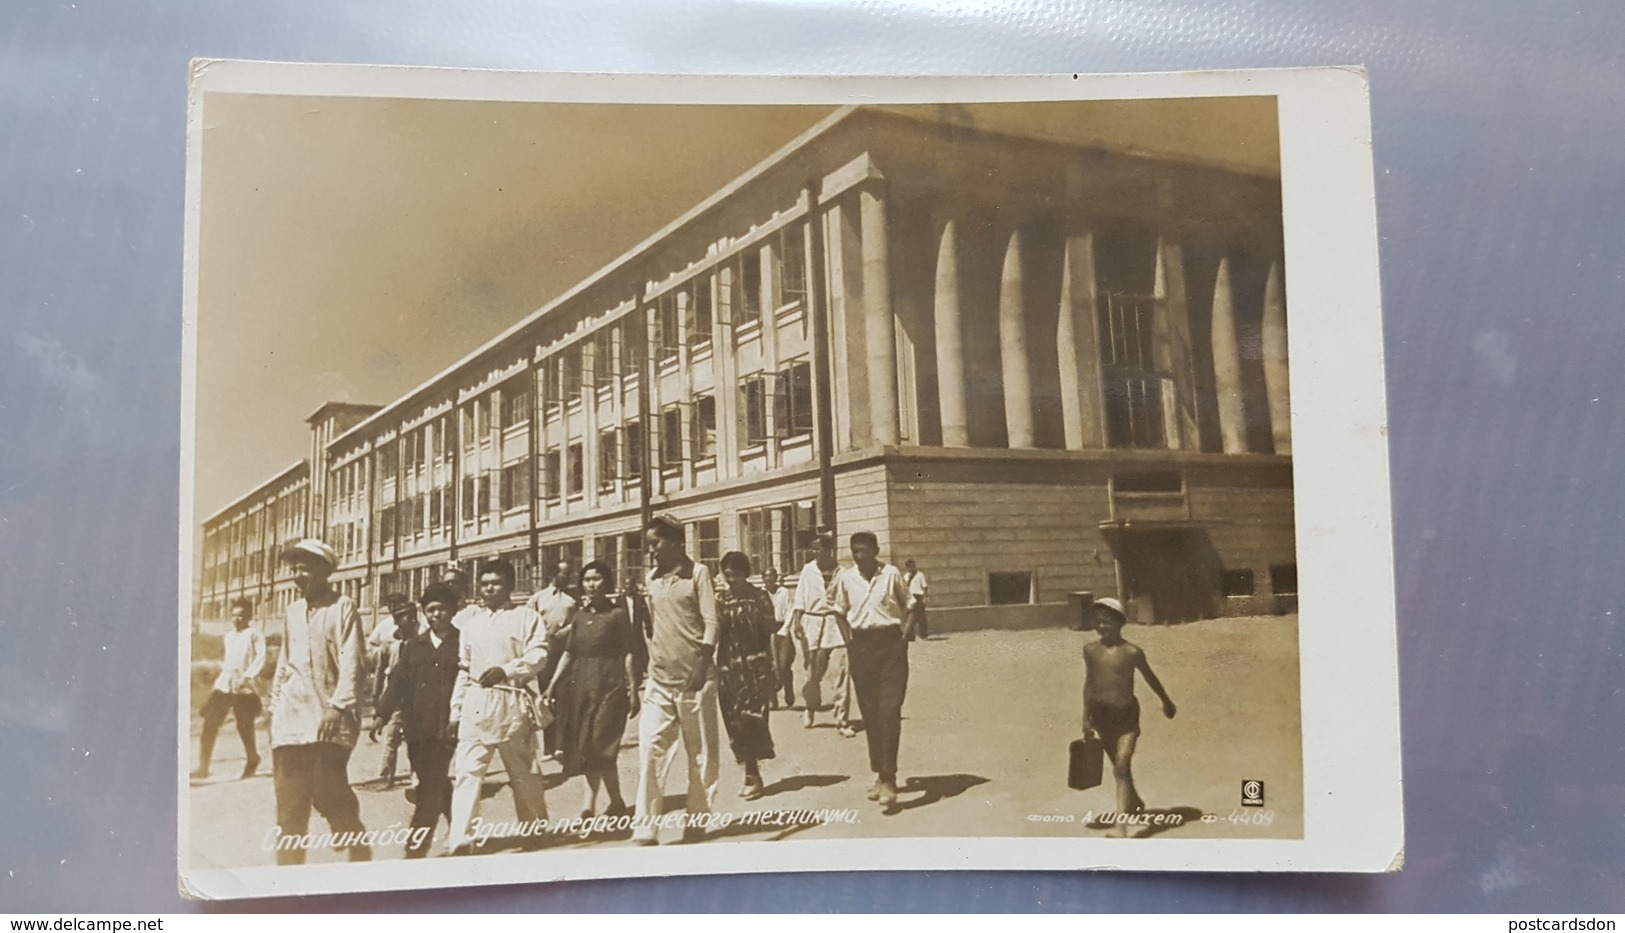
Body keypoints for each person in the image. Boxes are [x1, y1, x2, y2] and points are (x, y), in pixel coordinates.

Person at [267, 538, 370, 864]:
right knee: (290, 808)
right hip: (290, 720)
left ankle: (355, 842)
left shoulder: (342, 607)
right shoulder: (292, 611)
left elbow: (352, 659)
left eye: (305, 567)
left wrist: (337, 706)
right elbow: (285, 662)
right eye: (294, 568)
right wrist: (274, 704)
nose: (298, 575)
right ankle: (287, 883)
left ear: (325, 570)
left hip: (328, 717)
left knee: (328, 791)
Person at [446, 559, 551, 855]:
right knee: (467, 771)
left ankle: (534, 828)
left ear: (510, 586)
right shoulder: (471, 625)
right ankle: (461, 838)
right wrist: (456, 710)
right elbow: (464, 671)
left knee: (523, 771)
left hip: (511, 700)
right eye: (484, 583)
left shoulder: (526, 617)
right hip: (477, 704)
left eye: (496, 583)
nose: (488, 589)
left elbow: (539, 654)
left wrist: (508, 670)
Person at [632, 515, 721, 846]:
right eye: (648, 544)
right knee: (652, 750)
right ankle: (646, 826)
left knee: (700, 753)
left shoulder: (698, 574)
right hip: (659, 680)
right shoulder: (651, 579)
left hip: (696, 678)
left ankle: (696, 819)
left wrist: (703, 663)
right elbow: (654, 627)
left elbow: (711, 622)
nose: (650, 550)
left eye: (655, 543)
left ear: (674, 543)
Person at [542, 560, 638, 819]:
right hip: (580, 687)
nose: (591, 584)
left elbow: (628, 652)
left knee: (599, 745)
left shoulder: (617, 615)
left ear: (606, 582)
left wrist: (633, 689)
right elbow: (569, 653)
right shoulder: (581, 616)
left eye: (596, 579)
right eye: (586, 579)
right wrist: (551, 686)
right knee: (589, 746)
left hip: (610, 686)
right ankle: (616, 802)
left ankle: (588, 805)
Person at [371, 583, 462, 858]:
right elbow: (397, 682)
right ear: (425, 613)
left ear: (453, 611)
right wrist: (380, 715)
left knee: (429, 787)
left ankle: (415, 847)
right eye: (431, 610)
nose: (437, 615)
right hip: (417, 728)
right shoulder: (413, 647)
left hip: (448, 726)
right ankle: (462, 827)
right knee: (434, 781)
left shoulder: (463, 643)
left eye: (442, 609)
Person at [829, 531, 912, 807]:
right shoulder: (846, 577)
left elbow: (912, 606)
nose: (859, 555)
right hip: (861, 648)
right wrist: (850, 643)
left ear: (876, 550)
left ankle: (889, 778)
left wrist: (903, 638)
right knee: (870, 714)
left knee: (889, 711)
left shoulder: (891, 574)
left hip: (890, 647)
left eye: (864, 550)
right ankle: (879, 772)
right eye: (855, 550)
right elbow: (838, 612)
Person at [1083, 597, 1177, 824]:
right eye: (1098, 621)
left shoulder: (1132, 652)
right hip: (1100, 715)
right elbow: (1089, 684)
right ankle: (1134, 802)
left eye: (1107, 622)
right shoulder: (1090, 650)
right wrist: (1085, 718)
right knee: (1119, 767)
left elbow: (1149, 677)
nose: (1101, 626)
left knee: (1122, 764)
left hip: (1126, 715)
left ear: (1120, 623)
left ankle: (1122, 823)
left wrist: (1165, 700)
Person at [714, 551, 779, 799]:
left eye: (734, 575)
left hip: (755, 668)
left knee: (751, 720)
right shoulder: (721, 600)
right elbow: (716, 633)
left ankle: (753, 776)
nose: (730, 580)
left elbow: (770, 633)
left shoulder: (759, 598)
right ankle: (750, 773)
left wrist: (776, 668)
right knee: (733, 723)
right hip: (728, 669)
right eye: (726, 575)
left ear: (744, 573)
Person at [780, 532, 853, 736]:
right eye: (812, 549)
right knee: (813, 673)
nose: (814, 552)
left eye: (817, 548)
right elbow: (800, 598)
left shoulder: (843, 572)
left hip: (836, 623)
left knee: (841, 672)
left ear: (828, 549)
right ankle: (810, 707)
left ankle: (842, 720)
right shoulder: (808, 570)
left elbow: (848, 601)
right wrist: (797, 622)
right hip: (812, 623)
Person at [192, 597, 266, 780]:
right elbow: (229, 661)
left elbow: (260, 657)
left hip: (244, 687)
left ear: (249, 616)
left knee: (244, 725)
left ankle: (252, 758)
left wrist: (247, 677)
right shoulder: (229, 636)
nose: (237, 619)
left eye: (241, 616)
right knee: (210, 722)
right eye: (234, 616)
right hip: (225, 685)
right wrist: (223, 679)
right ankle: (203, 766)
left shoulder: (254, 634)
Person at [527, 560, 580, 757]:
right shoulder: (537, 598)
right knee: (547, 698)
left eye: (569, 574)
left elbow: (576, 624)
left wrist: (564, 631)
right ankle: (549, 746)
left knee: (565, 696)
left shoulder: (571, 600)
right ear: (554, 575)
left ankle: (561, 745)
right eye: (565, 573)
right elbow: (528, 623)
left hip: (564, 652)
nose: (568, 577)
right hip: (545, 653)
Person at [365, 593, 418, 789]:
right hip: (396, 698)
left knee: (416, 741)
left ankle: (418, 781)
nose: (400, 624)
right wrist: (377, 695)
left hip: (416, 700)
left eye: (403, 619)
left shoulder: (422, 643)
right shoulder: (391, 646)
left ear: (413, 620)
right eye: (397, 620)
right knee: (391, 737)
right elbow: (380, 671)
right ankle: (385, 777)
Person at [763, 567, 796, 709]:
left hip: (781, 629)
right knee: (768, 666)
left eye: (771, 576)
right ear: (763, 579)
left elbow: (790, 611)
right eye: (766, 576)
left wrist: (785, 629)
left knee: (783, 664)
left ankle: (788, 687)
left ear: (776, 577)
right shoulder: (761, 594)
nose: (769, 579)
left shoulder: (784, 592)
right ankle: (772, 699)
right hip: (766, 631)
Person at [902, 560, 929, 642]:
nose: (910, 568)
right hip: (910, 596)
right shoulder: (905, 576)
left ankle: (923, 635)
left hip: (918, 596)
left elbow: (925, 587)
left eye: (911, 566)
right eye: (908, 567)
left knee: (921, 616)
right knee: (909, 617)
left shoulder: (920, 575)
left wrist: (925, 598)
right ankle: (911, 636)